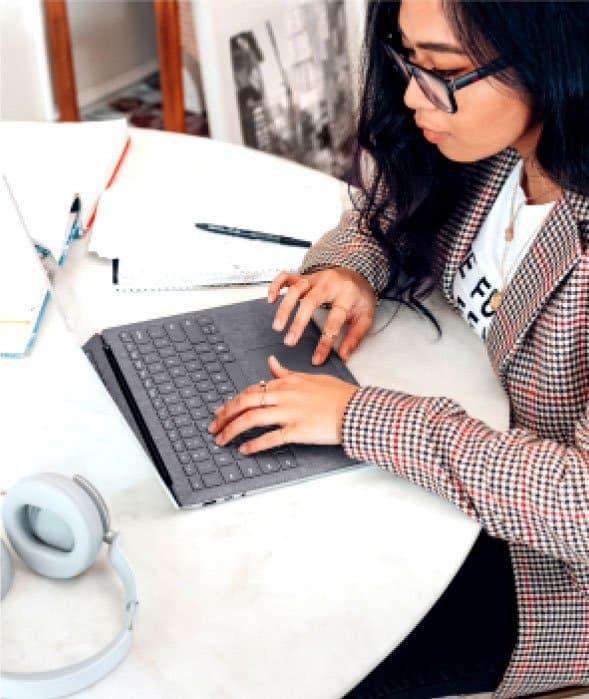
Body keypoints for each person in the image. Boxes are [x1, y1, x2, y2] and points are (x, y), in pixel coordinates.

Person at [209, 1, 589, 697]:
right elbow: (381, 206)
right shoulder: (487, 142)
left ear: (558, 56)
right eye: (406, 58)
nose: (413, 94)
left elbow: (580, 505)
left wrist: (359, 418)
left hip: (545, 570)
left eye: (442, 69)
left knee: (284, 650)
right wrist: (351, 268)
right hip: (447, 456)